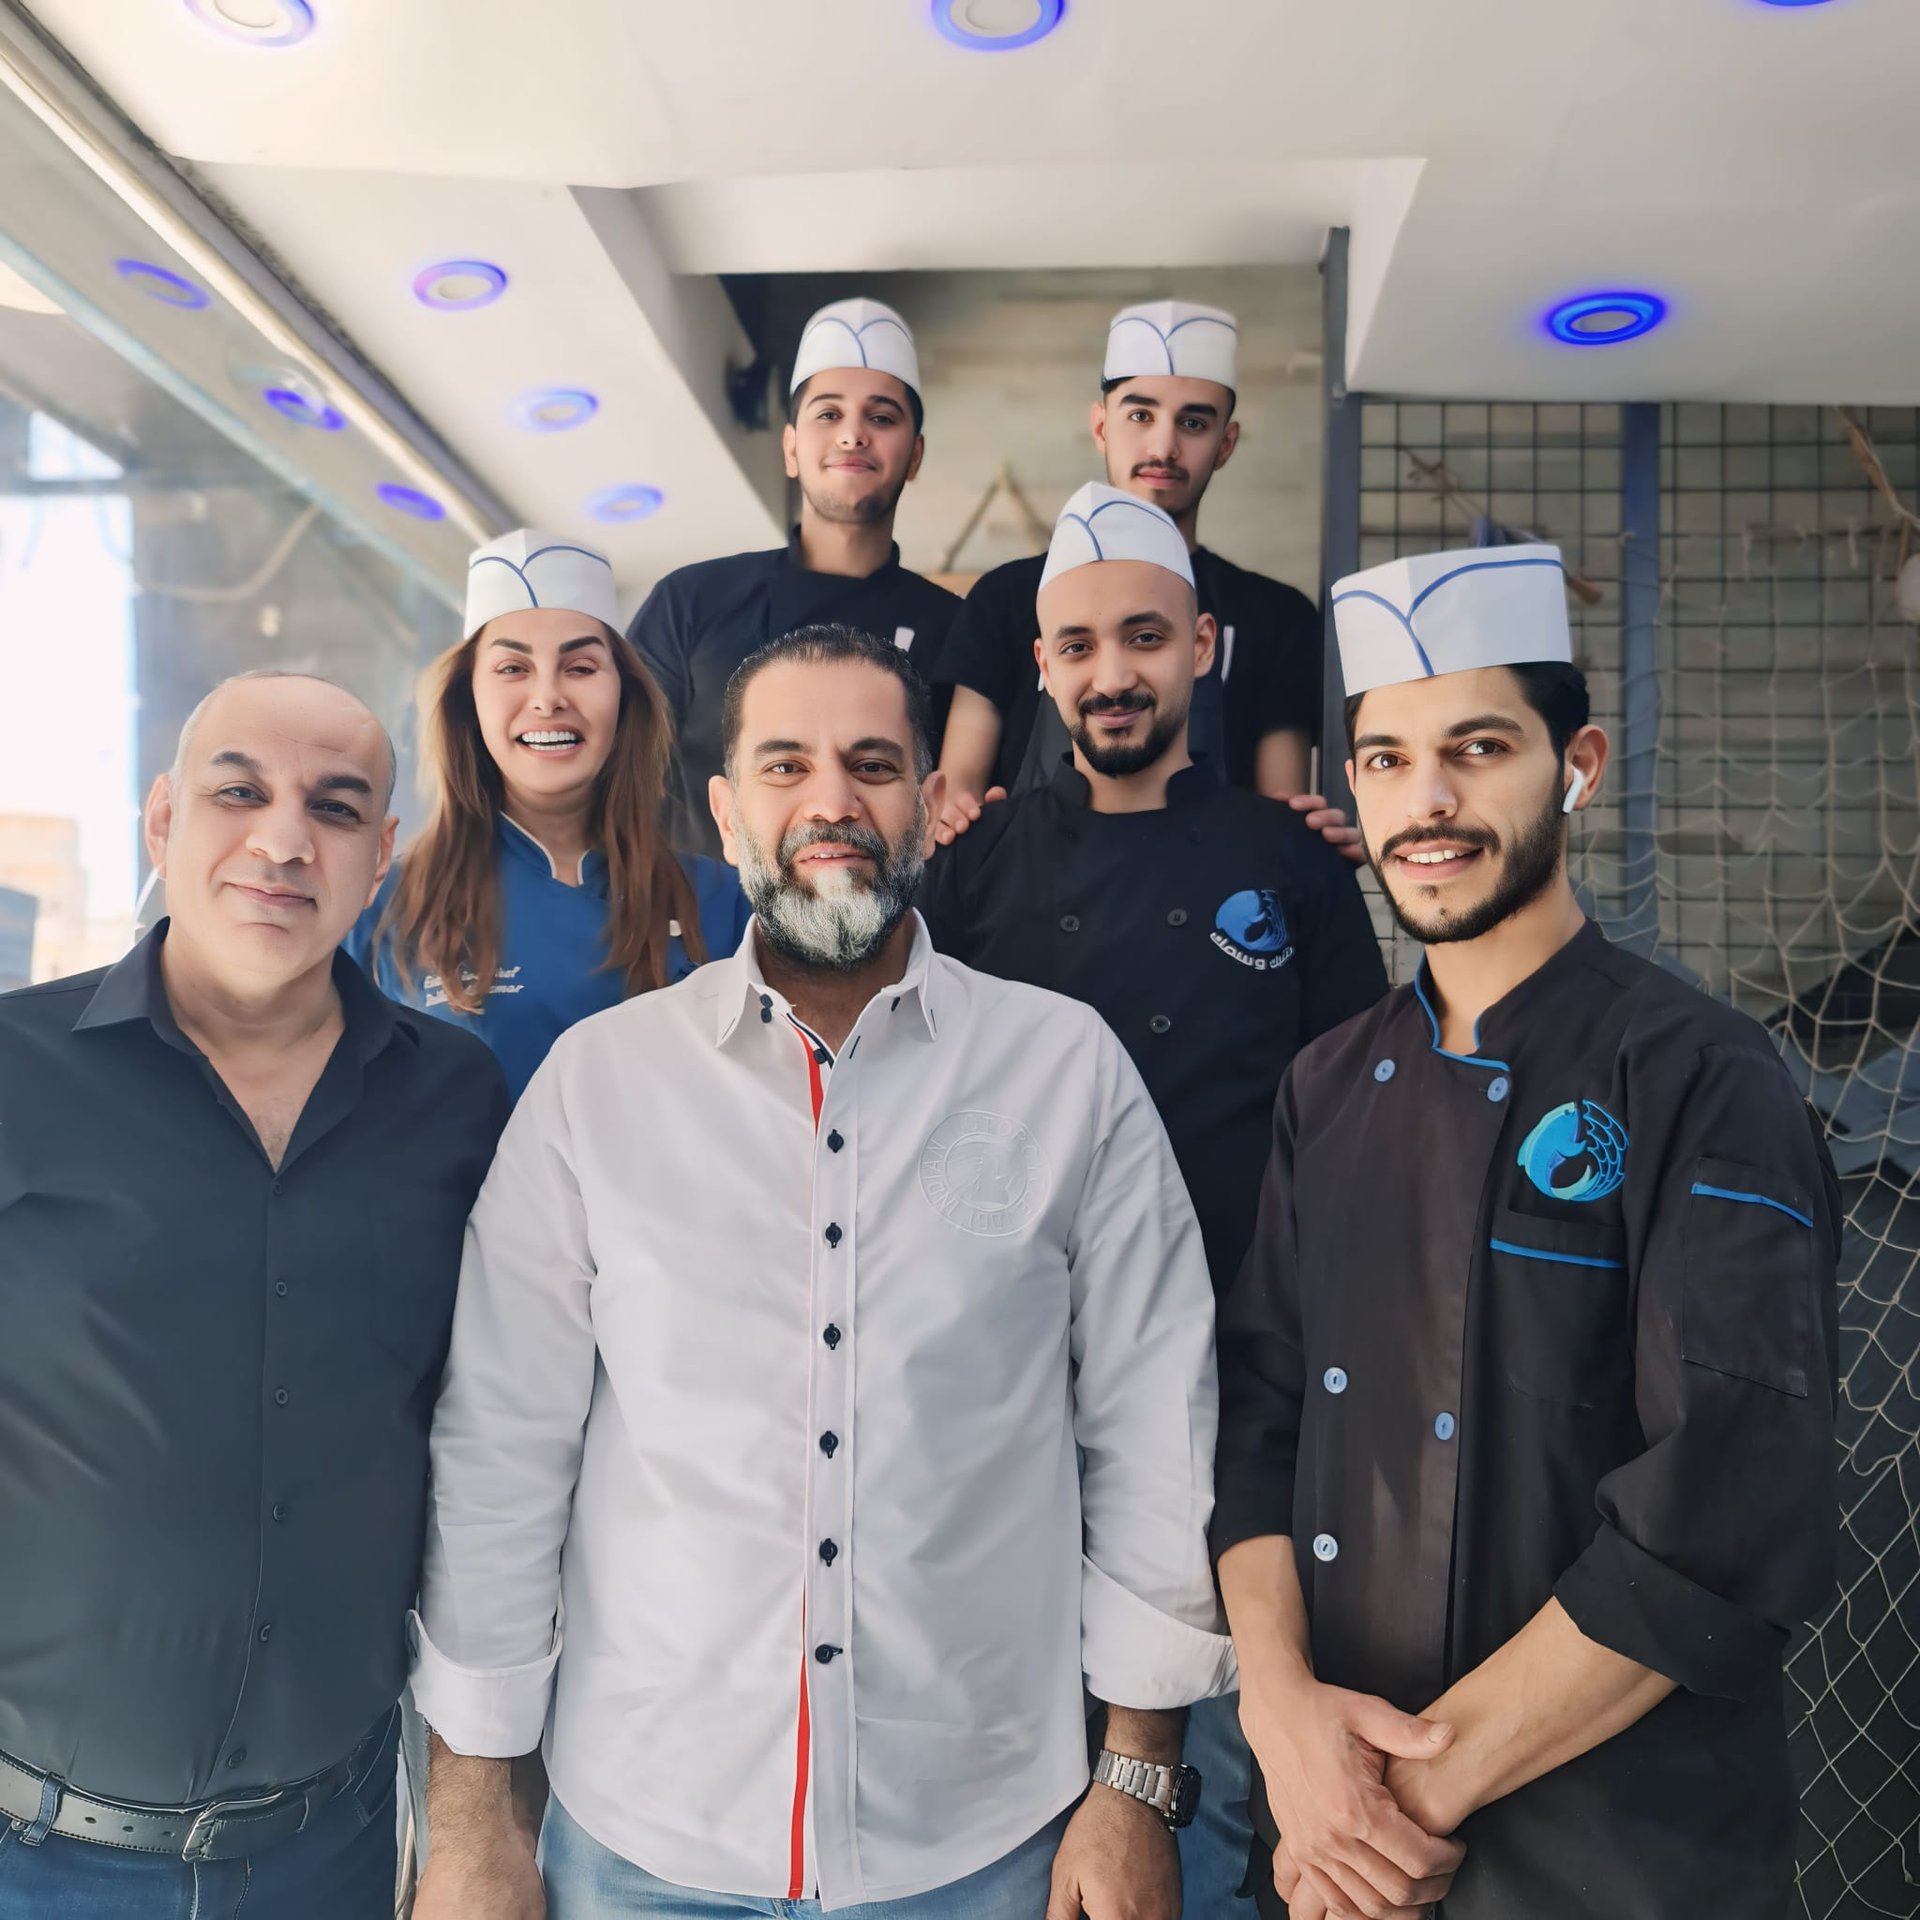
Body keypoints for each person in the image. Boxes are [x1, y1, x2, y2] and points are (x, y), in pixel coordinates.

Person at [408, 625, 1231, 1920]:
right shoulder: (598, 1089)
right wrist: (470, 1822)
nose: (832, 802)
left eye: (873, 764)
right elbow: (503, 1454)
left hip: (987, 1842)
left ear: (928, 803)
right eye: (786, 766)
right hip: (639, 1841)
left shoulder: (1066, 1074)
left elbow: (1152, 1433)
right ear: (728, 813)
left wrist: (1135, 1782)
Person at [1212, 544, 1841, 1919]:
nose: (1425, 803)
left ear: (1581, 764)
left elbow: (1721, 1507)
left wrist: (1392, 1811)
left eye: (1478, 747)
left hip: (1606, 1860)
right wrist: (1281, 1722)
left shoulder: (1701, 1077)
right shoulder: (1324, 1086)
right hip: (1328, 1834)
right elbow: (1256, 1423)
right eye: (1384, 759)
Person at [921, 482, 1386, 1914]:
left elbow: (1364, 1114)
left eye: (1141, 638)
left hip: (1247, 1372)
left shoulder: (1290, 858)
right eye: (1076, 647)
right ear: (1042, 667)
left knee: (1242, 1761)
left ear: (1201, 646)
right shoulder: (976, 865)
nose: (1110, 673)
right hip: (1013, 1371)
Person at [0, 670, 508, 1918]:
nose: (284, 842)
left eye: (335, 810)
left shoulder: (460, 1100)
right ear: (164, 821)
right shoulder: (14, 1071)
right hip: (34, 1853)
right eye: (241, 793)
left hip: (327, 1852)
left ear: (381, 854)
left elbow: (491, 1439)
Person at [933, 299, 1355, 859]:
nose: (1163, 447)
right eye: (1140, 415)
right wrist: (956, 834)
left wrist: (1308, 854)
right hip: (1029, 898)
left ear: (1225, 443)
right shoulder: (1006, 598)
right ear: (1101, 425)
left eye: (1194, 422)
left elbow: (1278, 811)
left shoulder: (1274, 616)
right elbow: (957, 790)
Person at [350, 528, 748, 1102]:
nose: (547, 698)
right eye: (513, 669)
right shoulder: (380, 907)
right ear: (469, 698)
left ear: (625, 695)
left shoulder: (722, 902)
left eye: (580, 667)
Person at [629, 296, 961, 859]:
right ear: (790, 447)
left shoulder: (957, 629)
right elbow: (617, 784)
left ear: (915, 456)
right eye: (828, 414)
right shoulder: (689, 603)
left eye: (881, 417)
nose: (853, 435)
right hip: (699, 938)